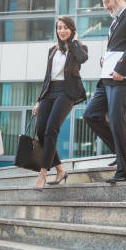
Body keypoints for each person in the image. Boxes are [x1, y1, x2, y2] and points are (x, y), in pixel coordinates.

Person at [83, 0, 126, 183]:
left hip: (122, 78)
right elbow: (119, 46)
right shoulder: (115, 21)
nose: (106, 7)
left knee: (117, 119)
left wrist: (120, 69)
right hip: (108, 77)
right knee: (91, 114)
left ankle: (123, 172)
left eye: (107, 2)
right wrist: (105, 59)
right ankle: (124, 148)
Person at [32, 16, 88, 190]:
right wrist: (39, 100)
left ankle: (42, 173)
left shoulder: (78, 47)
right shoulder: (52, 50)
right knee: (41, 131)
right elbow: (47, 77)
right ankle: (60, 170)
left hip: (67, 91)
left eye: (65, 28)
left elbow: (82, 58)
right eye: (59, 28)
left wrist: (75, 41)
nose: (62, 31)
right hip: (50, 92)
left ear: (72, 29)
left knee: (51, 130)